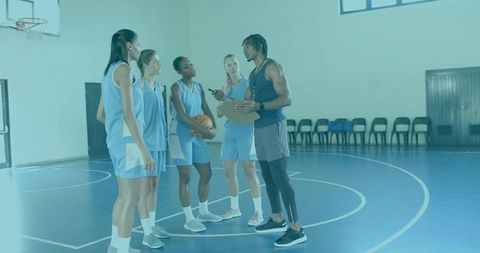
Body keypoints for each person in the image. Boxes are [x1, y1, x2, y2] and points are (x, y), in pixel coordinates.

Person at [235, 34, 307, 247]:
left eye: (247, 47)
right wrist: (230, 102)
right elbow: (248, 99)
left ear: (258, 46)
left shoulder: (272, 67)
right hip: (258, 127)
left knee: (280, 177)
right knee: (267, 175)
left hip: (274, 126)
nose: (245, 51)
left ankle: (296, 228)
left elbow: (287, 98)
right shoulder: (252, 73)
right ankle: (277, 218)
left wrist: (260, 106)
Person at [100, 29, 154, 253]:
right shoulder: (125, 69)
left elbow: (100, 115)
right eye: (138, 43)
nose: (140, 47)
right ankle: (123, 249)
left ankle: (116, 245)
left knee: (123, 196)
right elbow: (129, 114)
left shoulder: (108, 72)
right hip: (129, 142)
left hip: (116, 140)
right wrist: (144, 150)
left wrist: (115, 134)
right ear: (129, 46)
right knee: (132, 197)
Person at [168, 56, 223, 232]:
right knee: (185, 177)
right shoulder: (176, 87)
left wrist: (213, 127)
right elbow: (183, 116)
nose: (191, 67)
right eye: (186, 66)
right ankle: (189, 218)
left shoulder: (198, 86)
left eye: (191, 64)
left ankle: (204, 212)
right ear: (179, 71)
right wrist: (206, 131)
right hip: (180, 134)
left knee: (206, 173)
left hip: (196, 132)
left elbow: (205, 108)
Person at [212, 54, 263, 226]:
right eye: (228, 65)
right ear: (225, 68)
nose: (232, 67)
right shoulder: (225, 86)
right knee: (228, 171)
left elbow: (250, 106)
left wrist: (229, 100)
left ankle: (258, 211)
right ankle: (234, 208)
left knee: (249, 170)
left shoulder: (248, 83)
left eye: (234, 64)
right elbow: (219, 113)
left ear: (239, 65)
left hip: (246, 130)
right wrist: (223, 95)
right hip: (229, 132)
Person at [136, 49, 172, 244]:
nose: (160, 65)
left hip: (159, 143)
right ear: (145, 65)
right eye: (156, 62)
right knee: (144, 188)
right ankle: (146, 234)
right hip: (145, 145)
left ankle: (152, 224)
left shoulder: (160, 87)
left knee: (154, 186)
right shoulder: (138, 87)